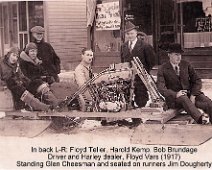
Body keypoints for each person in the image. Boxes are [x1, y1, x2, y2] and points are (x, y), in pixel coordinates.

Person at [157, 43, 211, 124]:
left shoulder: (186, 65)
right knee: (184, 98)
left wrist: (193, 95)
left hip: (190, 95)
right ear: (169, 55)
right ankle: (200, 119)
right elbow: (161, 88)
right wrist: (176, 94)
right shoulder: (162, 68)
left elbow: (197, 80)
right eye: (176, 54)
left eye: (180, 55)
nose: (179, 57)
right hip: (174, 100)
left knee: (206, 102)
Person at [120, 21, 156, 126]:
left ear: (136, 33)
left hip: (141, 77)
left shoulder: (145, 46)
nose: (130, 35)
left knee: (141, 97)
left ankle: (139, 119)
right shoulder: (124, 46)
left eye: (132, 33)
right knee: (128, 97)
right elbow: (123, 61)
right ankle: (134, 119)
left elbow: (152, 61)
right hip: (128, 78)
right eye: (128, 34)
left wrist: (144, 71)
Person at [0, 47, 52, 111]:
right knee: (13, 83)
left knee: (36, 82)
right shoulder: (1, 63)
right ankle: (39, 106)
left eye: (16, 57)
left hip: (17, 83)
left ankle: (54, 102)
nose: (14, 58)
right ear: (8, 54)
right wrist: (4, 85)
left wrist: (29, 82)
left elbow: (21, 76)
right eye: (13, 55)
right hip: (8, 85)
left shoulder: (16, 65)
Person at [19, 42, 60, 109]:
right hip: (30, 84)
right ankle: (55, 104)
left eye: (35, 51)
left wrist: (47, 77)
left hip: (38, 82)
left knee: (52, 82)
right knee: (44, 87)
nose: (33, 53)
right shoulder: (24, 62)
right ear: (27, 52)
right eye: (31, 51)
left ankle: (57, 101)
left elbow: (43, 72)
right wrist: (41, 79)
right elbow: (26, 76)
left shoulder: (36, 62)